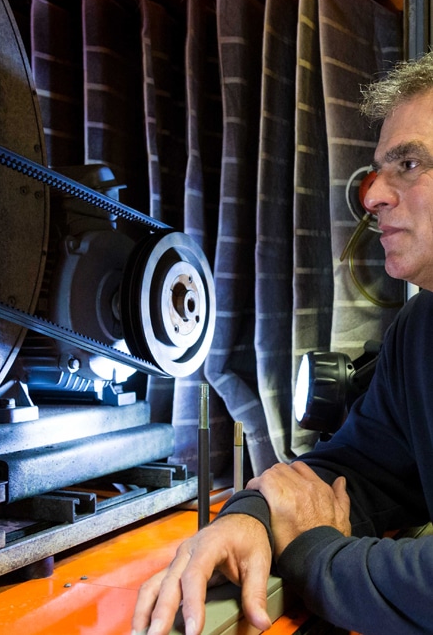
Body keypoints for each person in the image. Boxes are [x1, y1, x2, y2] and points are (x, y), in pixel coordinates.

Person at [131, 50, 433, 635]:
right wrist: (248, 519)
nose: (371, 195)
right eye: (378, 168)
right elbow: (349, 470)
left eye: (410, 162)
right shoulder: (418, 335)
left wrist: (314, 555)